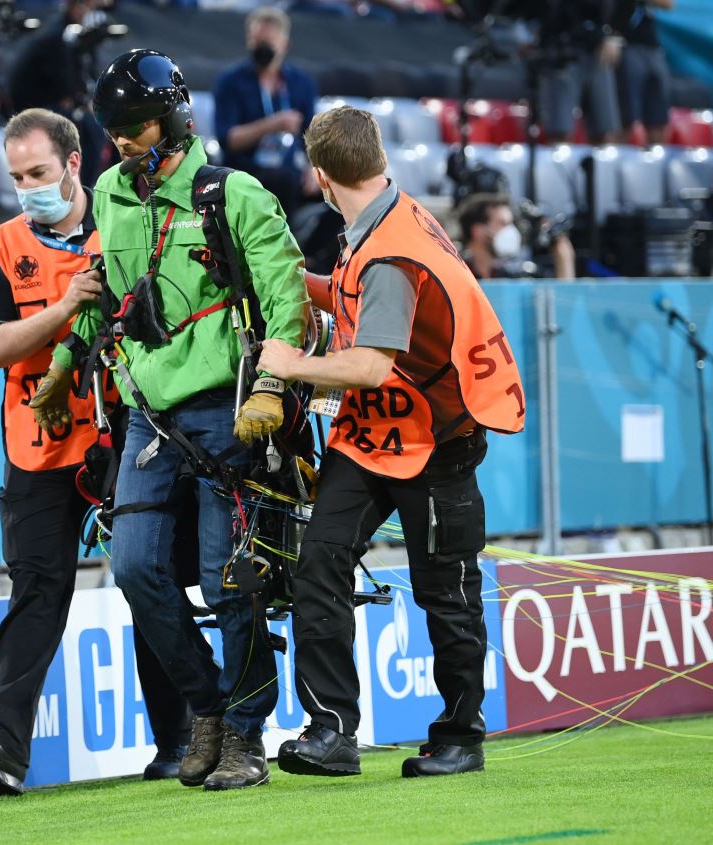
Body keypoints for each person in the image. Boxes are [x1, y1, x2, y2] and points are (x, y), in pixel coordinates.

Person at [31, 51, 308, 791]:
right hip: (149, 414)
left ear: (176, 117)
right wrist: (67, 363)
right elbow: (103, 294)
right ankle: (209, 707)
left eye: (135, 125)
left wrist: (274, 386)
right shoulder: (111, 194)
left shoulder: (234, 194)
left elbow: (289, 301)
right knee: (135, 568)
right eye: (112, 128)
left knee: (231, 581)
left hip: (231, 409)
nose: (121, 140)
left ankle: (247, 735)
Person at [254, 106, 524, 780]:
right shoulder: (385, 215)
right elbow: (353, 301)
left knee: (447, 593)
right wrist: (294, 287)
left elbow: (371, 363)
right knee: (319, 560)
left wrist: (287, 363)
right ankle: (331, 731)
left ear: (319, 175)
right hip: (374, 433)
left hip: (436, 439)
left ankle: (461, 737)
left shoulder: (390, 251)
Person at [0, 108, 191, 795]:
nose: (27, 189)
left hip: (126, 431)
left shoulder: (127, 223)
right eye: (17, 176)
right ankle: (2, 745)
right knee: (38, 588)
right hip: (40, 441)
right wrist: (62, 309)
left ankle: (179, 741)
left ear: (75, 163)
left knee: (148, 575)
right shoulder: (1, 244)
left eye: (38, 173)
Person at [213, 6, 318, 218]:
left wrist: (315, 169)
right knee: (282, 181)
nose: (261, 49)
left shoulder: (302, 83)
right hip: (243, 170)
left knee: (340, 189)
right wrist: (272, 124)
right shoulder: (230, 82)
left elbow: (312, 137)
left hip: (288, 169)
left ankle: (313, 251)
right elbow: (228, 139)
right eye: (257, 42)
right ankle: (282, 248)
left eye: (268, 44)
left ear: (284, 45)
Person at [3, 0, 114, 188]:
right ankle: (84, 190)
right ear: (74, 7)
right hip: (37, 108)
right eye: (88, 7)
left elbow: (88, 81)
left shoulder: (85, 39)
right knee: (91, 128)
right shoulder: (56, 37)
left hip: (59, 105)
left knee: (113, 124)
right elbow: (64, 91)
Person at [537, 0, 623, 145]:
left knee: (606, 134)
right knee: (560, 132)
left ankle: (601, 168)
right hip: (562, 48)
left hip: (599, 50)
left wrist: (614, 33)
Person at [457, 193, 576, 281]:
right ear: (478, 231)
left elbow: (562, 301)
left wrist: (562, 251)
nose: (511, 231)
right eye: (503, 223)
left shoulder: (513, 276)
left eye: (511, 223)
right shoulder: (457, 274)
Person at [614, 0, 673, 146]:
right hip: (626, 45)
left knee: (658, 120)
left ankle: (655, 164)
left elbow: (668, 4)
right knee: (626, 119)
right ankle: (620, 164)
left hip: (652, 46)